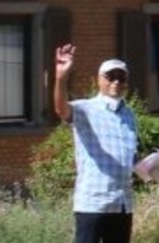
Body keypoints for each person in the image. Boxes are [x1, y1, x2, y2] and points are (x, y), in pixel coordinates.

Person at [53, 43, 139, 243]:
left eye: (121, 77)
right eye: (110, 77)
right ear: (99, 80)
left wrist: (151, 166)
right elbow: (61, 109)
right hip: (94, 203)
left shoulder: (129, 115)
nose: (116, 82)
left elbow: (130, 157)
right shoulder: (86, 109)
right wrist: (61, 77)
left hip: (122, 204)